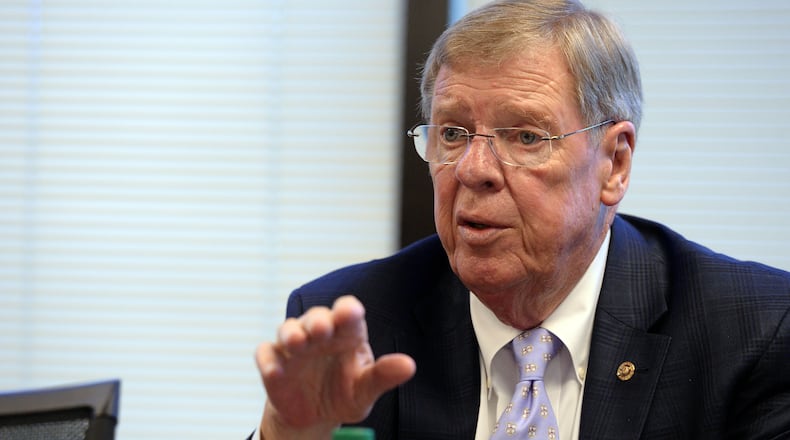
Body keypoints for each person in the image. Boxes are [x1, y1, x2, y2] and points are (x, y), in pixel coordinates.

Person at [253, 0, 790, 439]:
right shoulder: (355, 325)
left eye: (527, 137)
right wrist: (287, 433)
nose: (473, 170)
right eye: (453, 133)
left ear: (614, 163)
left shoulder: (753, 332)